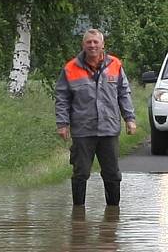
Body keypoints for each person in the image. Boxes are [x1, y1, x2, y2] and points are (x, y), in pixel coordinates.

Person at [55, 29, 137, 208]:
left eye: (95, 42)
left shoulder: (115, 64)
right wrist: (62, 124)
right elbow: (62, 98)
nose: (92, 45)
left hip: (109, 129)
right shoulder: (70, 68)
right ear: (83, 45)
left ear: (102, 45)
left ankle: (113, 213)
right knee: (81, 172)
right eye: (88, 42)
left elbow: (124, 93)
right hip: (83, 130)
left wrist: (129, 119)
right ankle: (78, 215)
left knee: (112, 173)